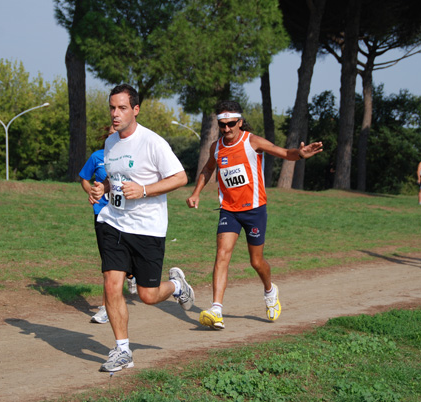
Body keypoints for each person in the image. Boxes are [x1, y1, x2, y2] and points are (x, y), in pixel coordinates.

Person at [186, 100, 323, 330]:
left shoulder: (252, 141)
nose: (227, 128)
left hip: (254, 210)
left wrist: (299, 154)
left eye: (231, 123)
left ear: (239, 122)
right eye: (222, 124)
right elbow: (209, 168)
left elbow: (284, 153)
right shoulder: (216, 147)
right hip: (229, 209)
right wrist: (196, 193)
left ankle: (270, 290)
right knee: (222, 254)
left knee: (256, 261)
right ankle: (216, 309)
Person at [89, 84, 194, 372]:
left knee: (147, 295)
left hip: (147, 228)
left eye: (122, 108)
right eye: (112, 107)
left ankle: (176, 286)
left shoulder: (153, 142)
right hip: (114, 222)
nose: (115, 113)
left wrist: (145, 189)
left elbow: (181, 177)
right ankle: (122, 350)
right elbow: (118, 178)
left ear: (135, 110)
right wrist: (104, 188)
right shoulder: (110, 144)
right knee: (112, 283)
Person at [79, 125, 137, 325]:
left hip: (127, 213)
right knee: (108, 261)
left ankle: (131, 272)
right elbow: (84, 179)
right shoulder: (97, 156)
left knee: (127, 253)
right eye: (113, 133)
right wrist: (91, 193)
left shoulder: (132, 156)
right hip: (103, 213)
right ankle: (105, 308)